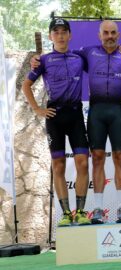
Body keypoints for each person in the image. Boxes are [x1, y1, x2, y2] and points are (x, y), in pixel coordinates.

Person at [31, 20, 121, 224]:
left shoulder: (115, 54)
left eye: (113, 33)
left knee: (105, 159)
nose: (109, 36)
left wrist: (120, 53)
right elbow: (31, 79)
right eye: (106, 33)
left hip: (101, 111)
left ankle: (106, 209)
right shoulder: (74, 55)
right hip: (76, 113)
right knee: (81, 161)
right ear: (99, 35)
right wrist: (36, 61)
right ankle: (82, 211)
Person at [22, 18, 90, 226]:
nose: (60, 35)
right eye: (56, 32)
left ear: (70, 35)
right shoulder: (43, 60)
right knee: (58, 166)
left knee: (83, 162)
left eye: (64, 32)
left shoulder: (79, 57)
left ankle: (80, 212)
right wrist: (37, 109)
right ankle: (66, 214)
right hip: (55, 116)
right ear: (51, 36)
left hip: (76, 114)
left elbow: (102, 57)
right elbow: (26, 85)